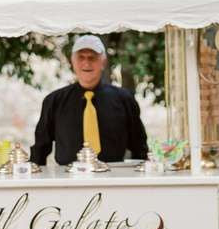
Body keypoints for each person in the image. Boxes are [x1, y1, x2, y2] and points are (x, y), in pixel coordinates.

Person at [30, 34, 148, 166]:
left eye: (92, 58)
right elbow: (40, 148)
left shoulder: (124, 99)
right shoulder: (54, 101)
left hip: (113, 177)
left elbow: (139, 146)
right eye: (81, 57)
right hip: (68, 178)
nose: (86, 63)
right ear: (73, 62)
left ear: (103, 62)